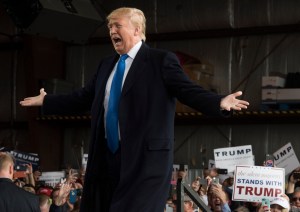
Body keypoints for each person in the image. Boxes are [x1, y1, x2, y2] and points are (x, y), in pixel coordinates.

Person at [20, 7, 249, 212]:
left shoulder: (160, 61)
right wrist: (47, 101)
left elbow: (187, 90)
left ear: (137, 30)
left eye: (117, 25)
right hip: (106, 158)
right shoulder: (106, 65)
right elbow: (83, 98)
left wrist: (218, 102)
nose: (111, 31)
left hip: (144, 161)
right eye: (110, 26)